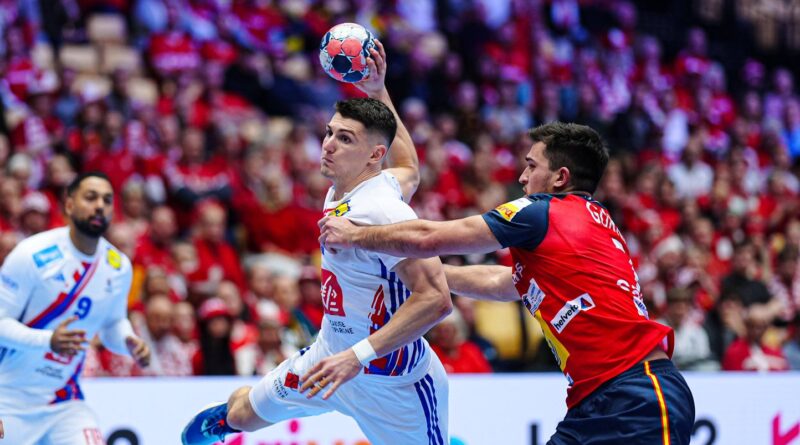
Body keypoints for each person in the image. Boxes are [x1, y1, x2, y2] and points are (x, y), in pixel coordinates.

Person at [320, 122, 696, 444]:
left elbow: (427, 237)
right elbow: (503, 281)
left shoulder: (543, 212)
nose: (521, 177)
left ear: (560, 178)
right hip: (594, 400)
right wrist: (429, 279)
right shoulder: (581, 224)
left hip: (637, 393)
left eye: (531, 166)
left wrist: (356, 237)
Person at [182, 40, 452, 445]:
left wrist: (355, 357)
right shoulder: (348, 187)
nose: (327, 144)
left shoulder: (385, 210)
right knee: (240, 415)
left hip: (393, 386)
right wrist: (377, 91)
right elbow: (409, 166)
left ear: (373, 155)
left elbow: (436, 299)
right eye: (329, 133)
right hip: (328, 357)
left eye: (345, 139)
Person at [0, 171, 151, 445]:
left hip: (63, 401)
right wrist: (49, 340)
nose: (99, 206)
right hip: (8, 398)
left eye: (107, 200)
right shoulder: (31, 253)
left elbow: (112, 325)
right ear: (69, 205)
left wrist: (128, 341)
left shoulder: (118, 267)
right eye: (90, 197)